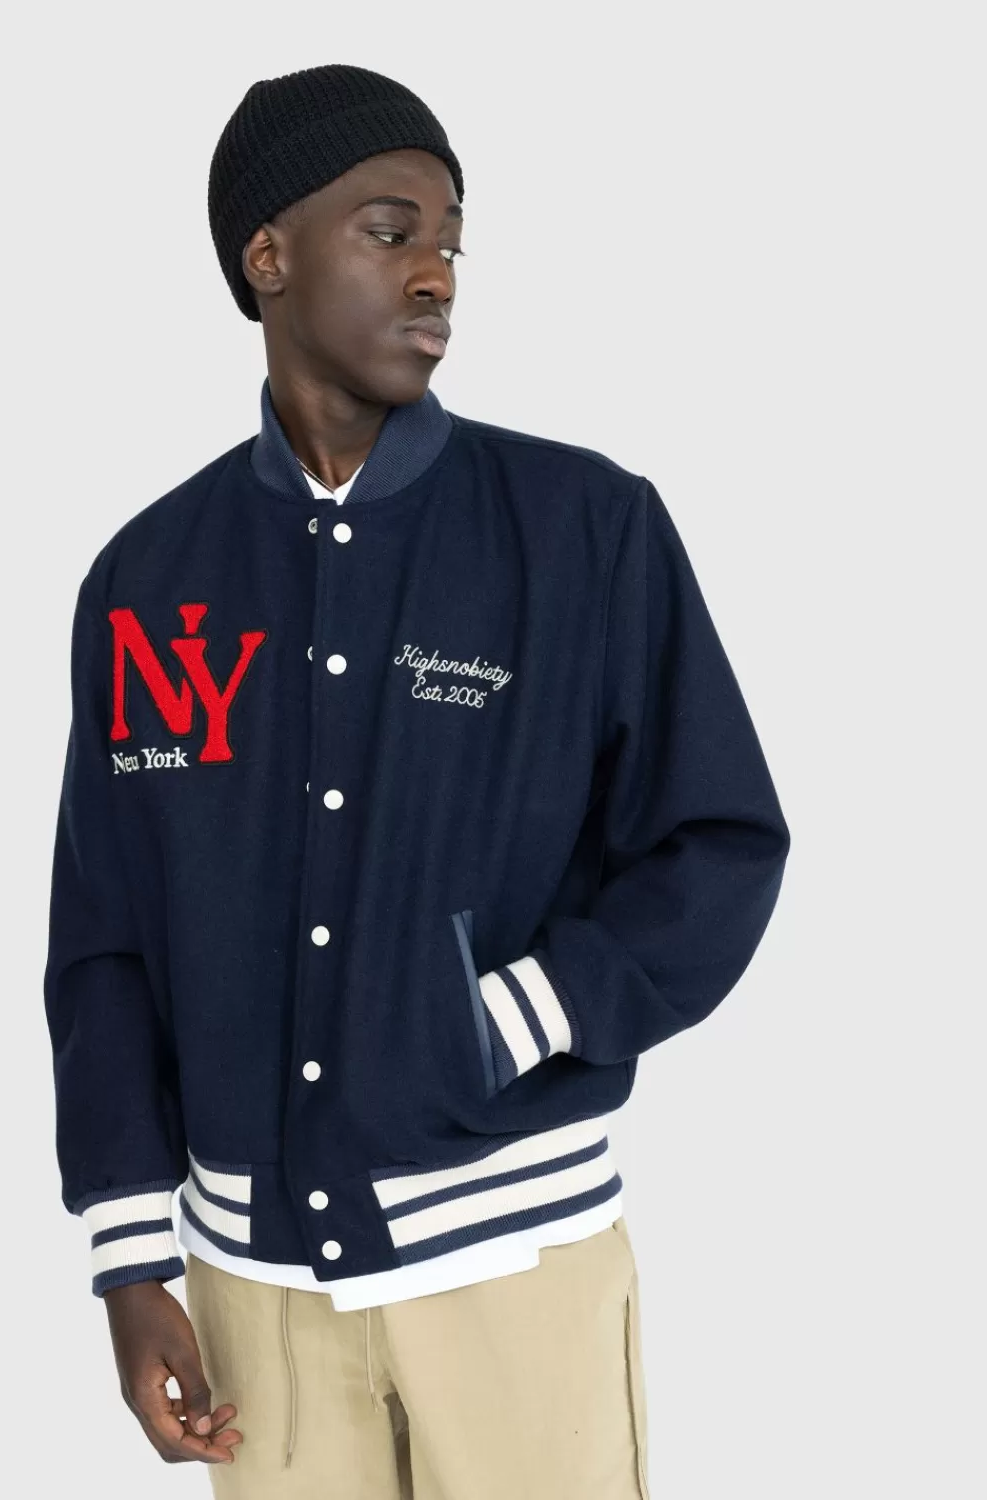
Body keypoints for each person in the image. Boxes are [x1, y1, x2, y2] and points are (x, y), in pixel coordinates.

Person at [42, 62, 790, 1499]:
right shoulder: (146, 580)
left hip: (513, 1274)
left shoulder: (583, 529)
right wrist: (131, 1259)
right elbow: (106, 940)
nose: (436, 272)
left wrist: (512, 1016)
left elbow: (720, 843)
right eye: (391, 232)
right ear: (268, 257)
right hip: (254, 1300)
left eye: (452, 240)